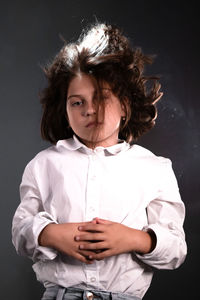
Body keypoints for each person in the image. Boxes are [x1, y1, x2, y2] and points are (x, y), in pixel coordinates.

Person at [12, 22, 187, 300]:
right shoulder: (43, 165)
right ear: (65, 108)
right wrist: (51, 234)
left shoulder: (155, 169)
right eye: (77, 102)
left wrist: (133, 238)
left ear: (125, 105)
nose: (89, 110)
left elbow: (176, 249)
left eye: (101, 97)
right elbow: (21, 230)